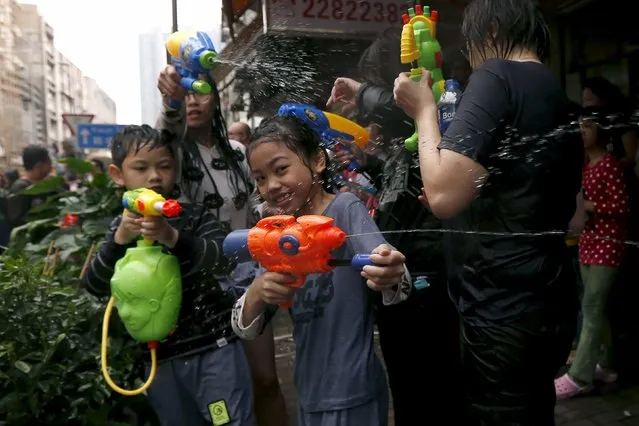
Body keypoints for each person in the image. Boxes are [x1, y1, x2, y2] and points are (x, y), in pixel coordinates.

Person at [393, 0, 583, 424]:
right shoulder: (553, 91)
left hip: (500, 309)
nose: (471, 55)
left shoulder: (496, 74)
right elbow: (567, 212)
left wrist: (424, 111)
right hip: (549, 300)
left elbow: (442, 196)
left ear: (491, 30)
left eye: (472, 42)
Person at [231, 116, 411, 426]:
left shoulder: (344, 208)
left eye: (281, 169)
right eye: (260, 178)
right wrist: (258, 293)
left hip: (354, 392)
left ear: (317, 161)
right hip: (310, 395)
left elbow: (396, 276)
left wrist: (390, 269)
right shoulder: (279, 234)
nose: (271, 186)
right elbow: (243, 326)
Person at [327, 26, 467, 425]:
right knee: (412, 396)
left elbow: (407, 109)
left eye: (379, 84)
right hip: (405, 288)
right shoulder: (408, 135)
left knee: (433, 396)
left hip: (431, 286)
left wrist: (362, 94)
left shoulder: (436, 114)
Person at [83, 125, 255, 426]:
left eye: (164, 166)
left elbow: (224, 262)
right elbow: (94, 285)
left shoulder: (193, 216)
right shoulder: (119, 230)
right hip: (158, 361)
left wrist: (173, 237)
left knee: (228, 421)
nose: (154, 177)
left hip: (212, 351)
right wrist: (120, 239)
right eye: (141, 168)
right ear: (117, 174)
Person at [156, 66, 288, 426]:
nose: (192, 101)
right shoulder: (171, 156)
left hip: (249, 274)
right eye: (183, 95)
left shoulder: (236, 152)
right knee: (229, 390)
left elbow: (259, 201)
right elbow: (165, 133)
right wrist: (170, 102)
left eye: (198, 91)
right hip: (203, 280)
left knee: (266, 381)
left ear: (216, 97)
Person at [555, 110, 628, 399]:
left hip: (608, 244)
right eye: (579, 126)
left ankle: (579, 376)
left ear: (600, 130)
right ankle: (605, 366)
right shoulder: (585, 165)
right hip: (588, 242)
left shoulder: (609, 164)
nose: (582, 131)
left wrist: (590, 206)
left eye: (588, 126)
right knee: (594, 307)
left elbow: (622, 207)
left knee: (593, 308)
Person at [6, 145, 53, 228]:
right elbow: (16, 220)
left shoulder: (45, 184)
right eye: (48, 163)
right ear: (38, 165)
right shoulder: (20, 188)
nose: (51, 167)